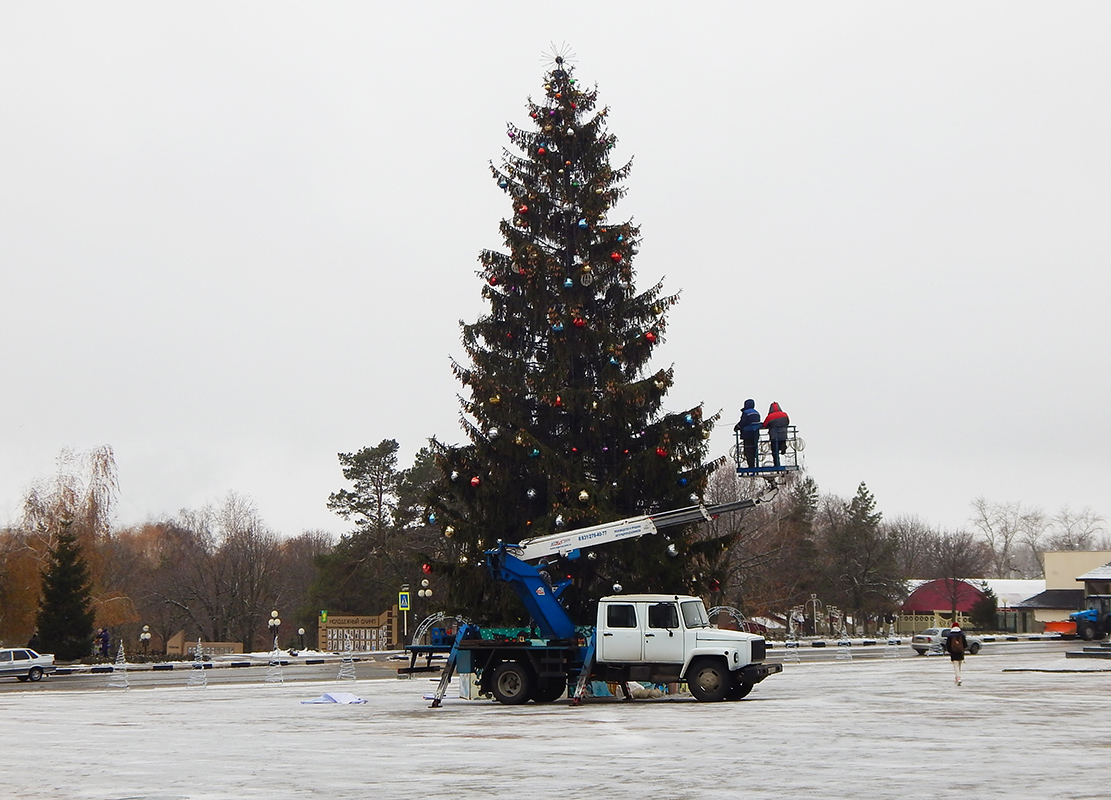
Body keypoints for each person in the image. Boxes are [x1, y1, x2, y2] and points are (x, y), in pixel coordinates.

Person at [734, 399, 762, 469]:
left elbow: (743, 422)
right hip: (755, 434)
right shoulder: (756, 413)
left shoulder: (746, 413)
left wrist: (737, 427)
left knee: (748, 451)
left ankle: (751, 466)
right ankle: (754, 463)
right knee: (754, 450)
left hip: (747, 435)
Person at [762, 402, 790, 468]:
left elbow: (764, 425)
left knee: (775, 451)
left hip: (774, 435)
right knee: (781, 443)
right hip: (783, 434)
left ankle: (777, 464)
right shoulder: (784, 414)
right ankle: (783, 446)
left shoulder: (770, 417)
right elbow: (788, 422)